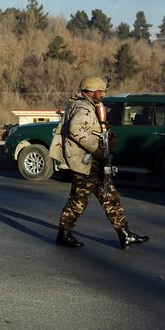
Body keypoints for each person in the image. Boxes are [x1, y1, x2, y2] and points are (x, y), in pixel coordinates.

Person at [49, 75, 149, 250]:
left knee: (110, 197)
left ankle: (124, 234)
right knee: (78, 200)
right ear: (89, 92)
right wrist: (96, 148)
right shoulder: (83, 108)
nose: (102, 95)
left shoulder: (90, 105)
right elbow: (75, 130)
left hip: (95, 161)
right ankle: (63, 233)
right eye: (99, 92)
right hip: (86, 161)